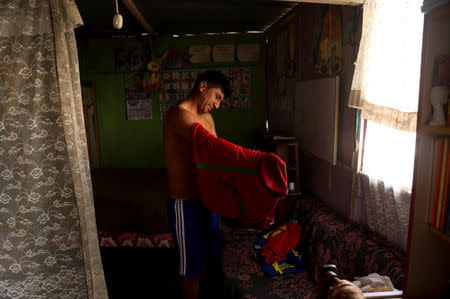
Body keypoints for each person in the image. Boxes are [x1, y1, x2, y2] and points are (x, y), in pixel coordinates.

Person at [163, 70, 231, 299]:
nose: (217, 105)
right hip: (186, 204)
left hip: (208, 201)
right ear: (203, 87)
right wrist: (251, 160)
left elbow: (217, 160)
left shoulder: (208, 118)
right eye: (217, 97)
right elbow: (211, 148)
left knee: (210, 258)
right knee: (190, 270)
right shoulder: (178, 115)